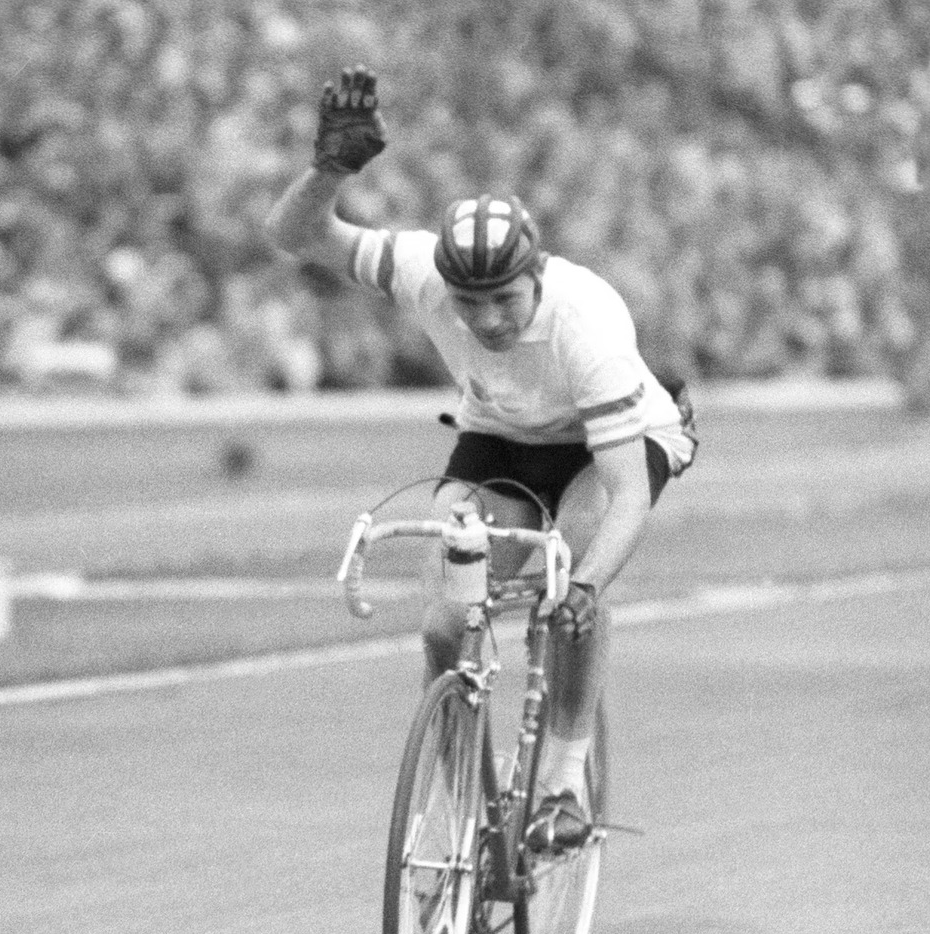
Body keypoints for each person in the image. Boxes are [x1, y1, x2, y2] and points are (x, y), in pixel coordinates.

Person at [264, 68, 698, 850]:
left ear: (536, 276)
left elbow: (628, 494)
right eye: (471, 303)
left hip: (609, 443)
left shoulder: (587, 320)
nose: (489, 319)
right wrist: (328, 171)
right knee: (445, 620)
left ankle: (563, 785)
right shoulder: (422, 271)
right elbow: (296, 237)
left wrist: (587, 586)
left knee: (571, 578)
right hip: (502, 433)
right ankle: (461, 790)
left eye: (506, 298)